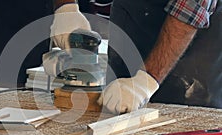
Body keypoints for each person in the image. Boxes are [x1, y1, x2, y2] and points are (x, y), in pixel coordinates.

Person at [50, 0, 221, 114]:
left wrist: (146, 82)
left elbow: (190, 9)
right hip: (133, 20)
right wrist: (66, 8)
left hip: (194, 46)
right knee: (115, 118)